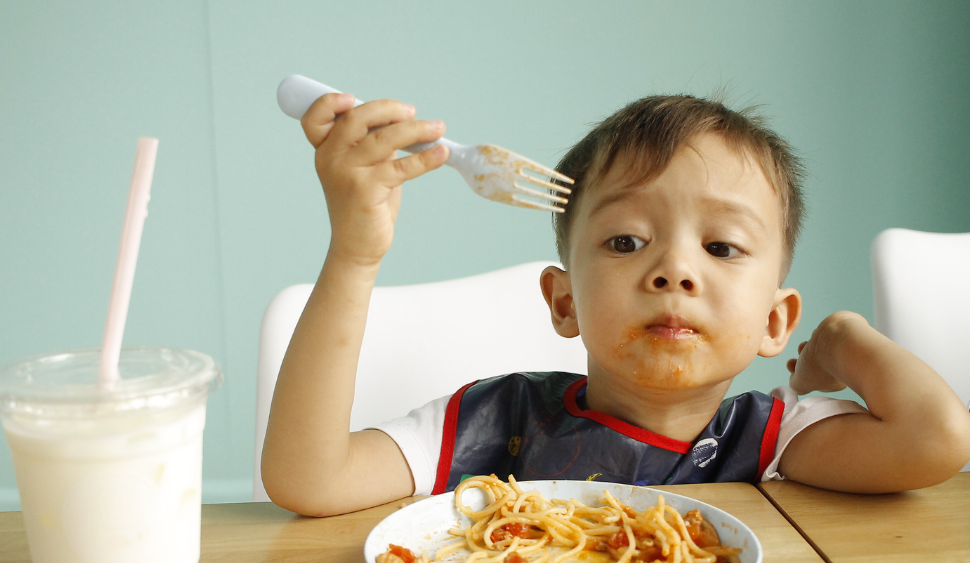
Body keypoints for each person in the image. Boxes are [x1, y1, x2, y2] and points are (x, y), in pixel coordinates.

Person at [261, 91, 970, 517]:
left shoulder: (777, 441)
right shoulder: (495, 423)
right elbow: (307, 478)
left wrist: (845, 340)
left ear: (775, 322)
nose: (673, 270)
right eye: (627, 240)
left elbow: (939, 439)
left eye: (721, 248)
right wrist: (355, 253)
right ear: (564, 300)